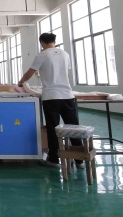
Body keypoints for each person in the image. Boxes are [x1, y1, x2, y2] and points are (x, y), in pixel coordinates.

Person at [18, 32, 84, 169]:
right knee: (73, 128)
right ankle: (79, 160)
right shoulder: (65, 54)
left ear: (42, 42)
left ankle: (54, 159)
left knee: (53, 128)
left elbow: (30, 73)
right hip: (68, 95)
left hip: (51, 97)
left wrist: (21, 82)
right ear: (54, 41)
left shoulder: (42, 55)